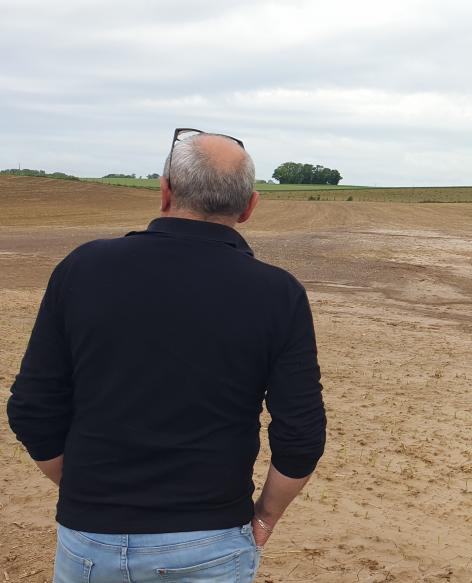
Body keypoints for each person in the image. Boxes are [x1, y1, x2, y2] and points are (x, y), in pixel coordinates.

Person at [7, 129, 326, 582]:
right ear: (250, 206)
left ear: (165, 192)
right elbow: (302, 436)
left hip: (89, 541)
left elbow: (31, 408)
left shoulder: (83, 268)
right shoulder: (278, 293)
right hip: (210, 542)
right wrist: (266, 517)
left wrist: (85, 491)